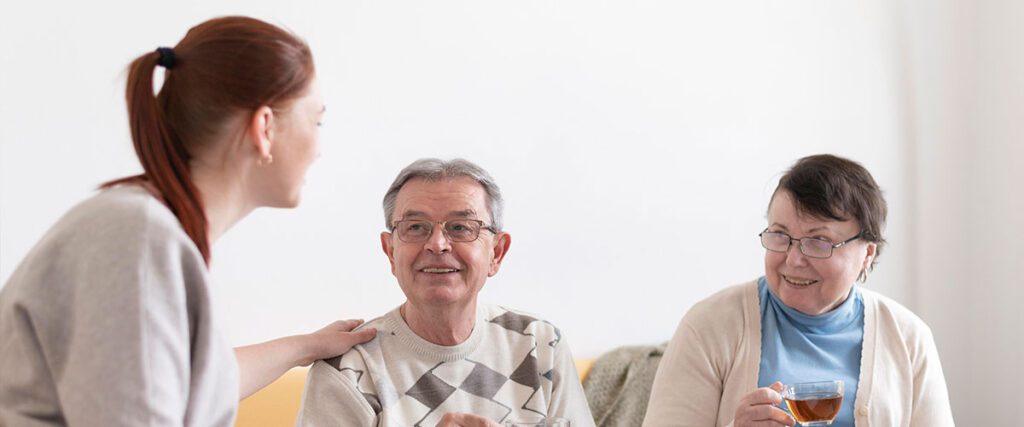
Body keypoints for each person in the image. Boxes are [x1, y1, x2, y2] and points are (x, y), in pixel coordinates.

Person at [0, 16, 375, 425]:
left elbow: (193, 384)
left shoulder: (147, 230)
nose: (320, 147)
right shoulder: (136, 241)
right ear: (264, 127)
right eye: (316, 120)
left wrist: (306, 346)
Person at [643, 154, 955, 427]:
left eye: (818, 241)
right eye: (780, 235)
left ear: (867, 254)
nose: (793, 260)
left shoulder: (909, 338)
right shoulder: (709, 326)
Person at [297, 159, 595, 427]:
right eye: (415, 227)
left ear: (497, 253)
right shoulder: (350, 368)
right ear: (390, 252)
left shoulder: (539, 344)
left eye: (460, 227)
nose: (437, 244)